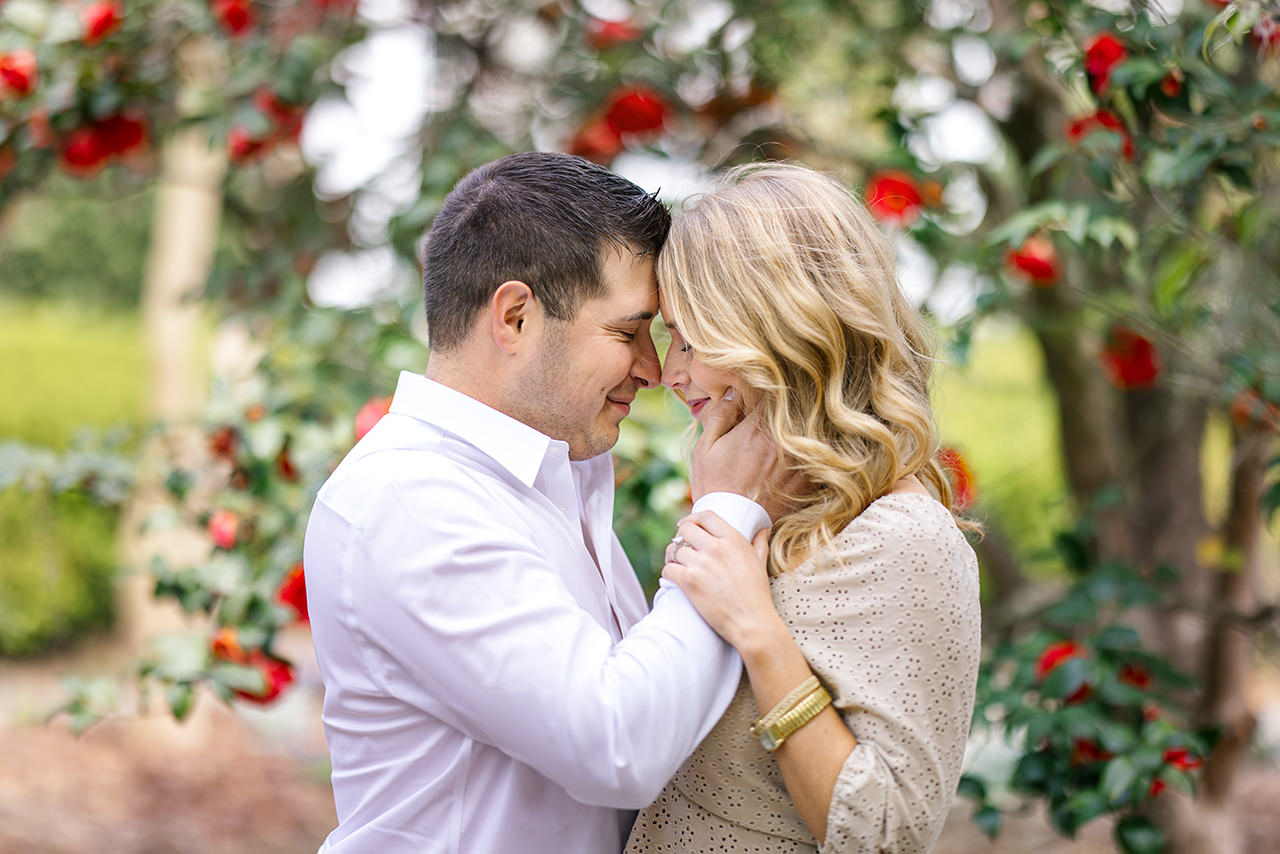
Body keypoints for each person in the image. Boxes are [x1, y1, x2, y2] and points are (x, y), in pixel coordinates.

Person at [302, 152, 779, 853]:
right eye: (626, 331)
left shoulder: (554, 482)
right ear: (516, 317)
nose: (652, 369)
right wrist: (732, 510)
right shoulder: (410, 501)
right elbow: (616, 747)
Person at [625, 163, 982, 853]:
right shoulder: (760, 514)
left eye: (692, 340)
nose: (670, 373)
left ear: (783, 336)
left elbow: (887, 835)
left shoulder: (906, 539)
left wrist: (759, 631)